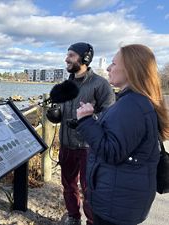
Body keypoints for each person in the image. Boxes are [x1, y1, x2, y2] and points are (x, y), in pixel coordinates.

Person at [76, 44, 169, 225]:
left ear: (131, 69)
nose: (109, 68)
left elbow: (112, 151)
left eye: (113, 63)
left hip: (117, 203)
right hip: (122, 198)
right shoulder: (135, 101)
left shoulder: (132, 105)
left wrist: (85, 120)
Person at [59, 42, 115, 225]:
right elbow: (63, 107)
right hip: (66, 144)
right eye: (67, 55)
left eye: (72, 55)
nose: (67, 59)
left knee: (90, 189)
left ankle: (92, 221)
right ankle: (73, 216)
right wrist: (56, 114)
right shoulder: (65, 84)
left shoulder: (101, 84)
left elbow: (110, 114)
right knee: (68, 186)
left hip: (88, 147)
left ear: (85, 58)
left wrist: (87, 120)